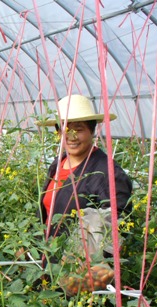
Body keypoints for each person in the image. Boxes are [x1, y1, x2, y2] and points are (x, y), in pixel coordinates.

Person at [37, 94, 133, 241]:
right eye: (65, 129)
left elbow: (117, 222)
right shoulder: (59, 163)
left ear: (92, 131)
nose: (71, 136)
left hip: (72, 254)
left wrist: (79, 251)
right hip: (45, 249)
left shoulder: (108, 173)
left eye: (79, 129)